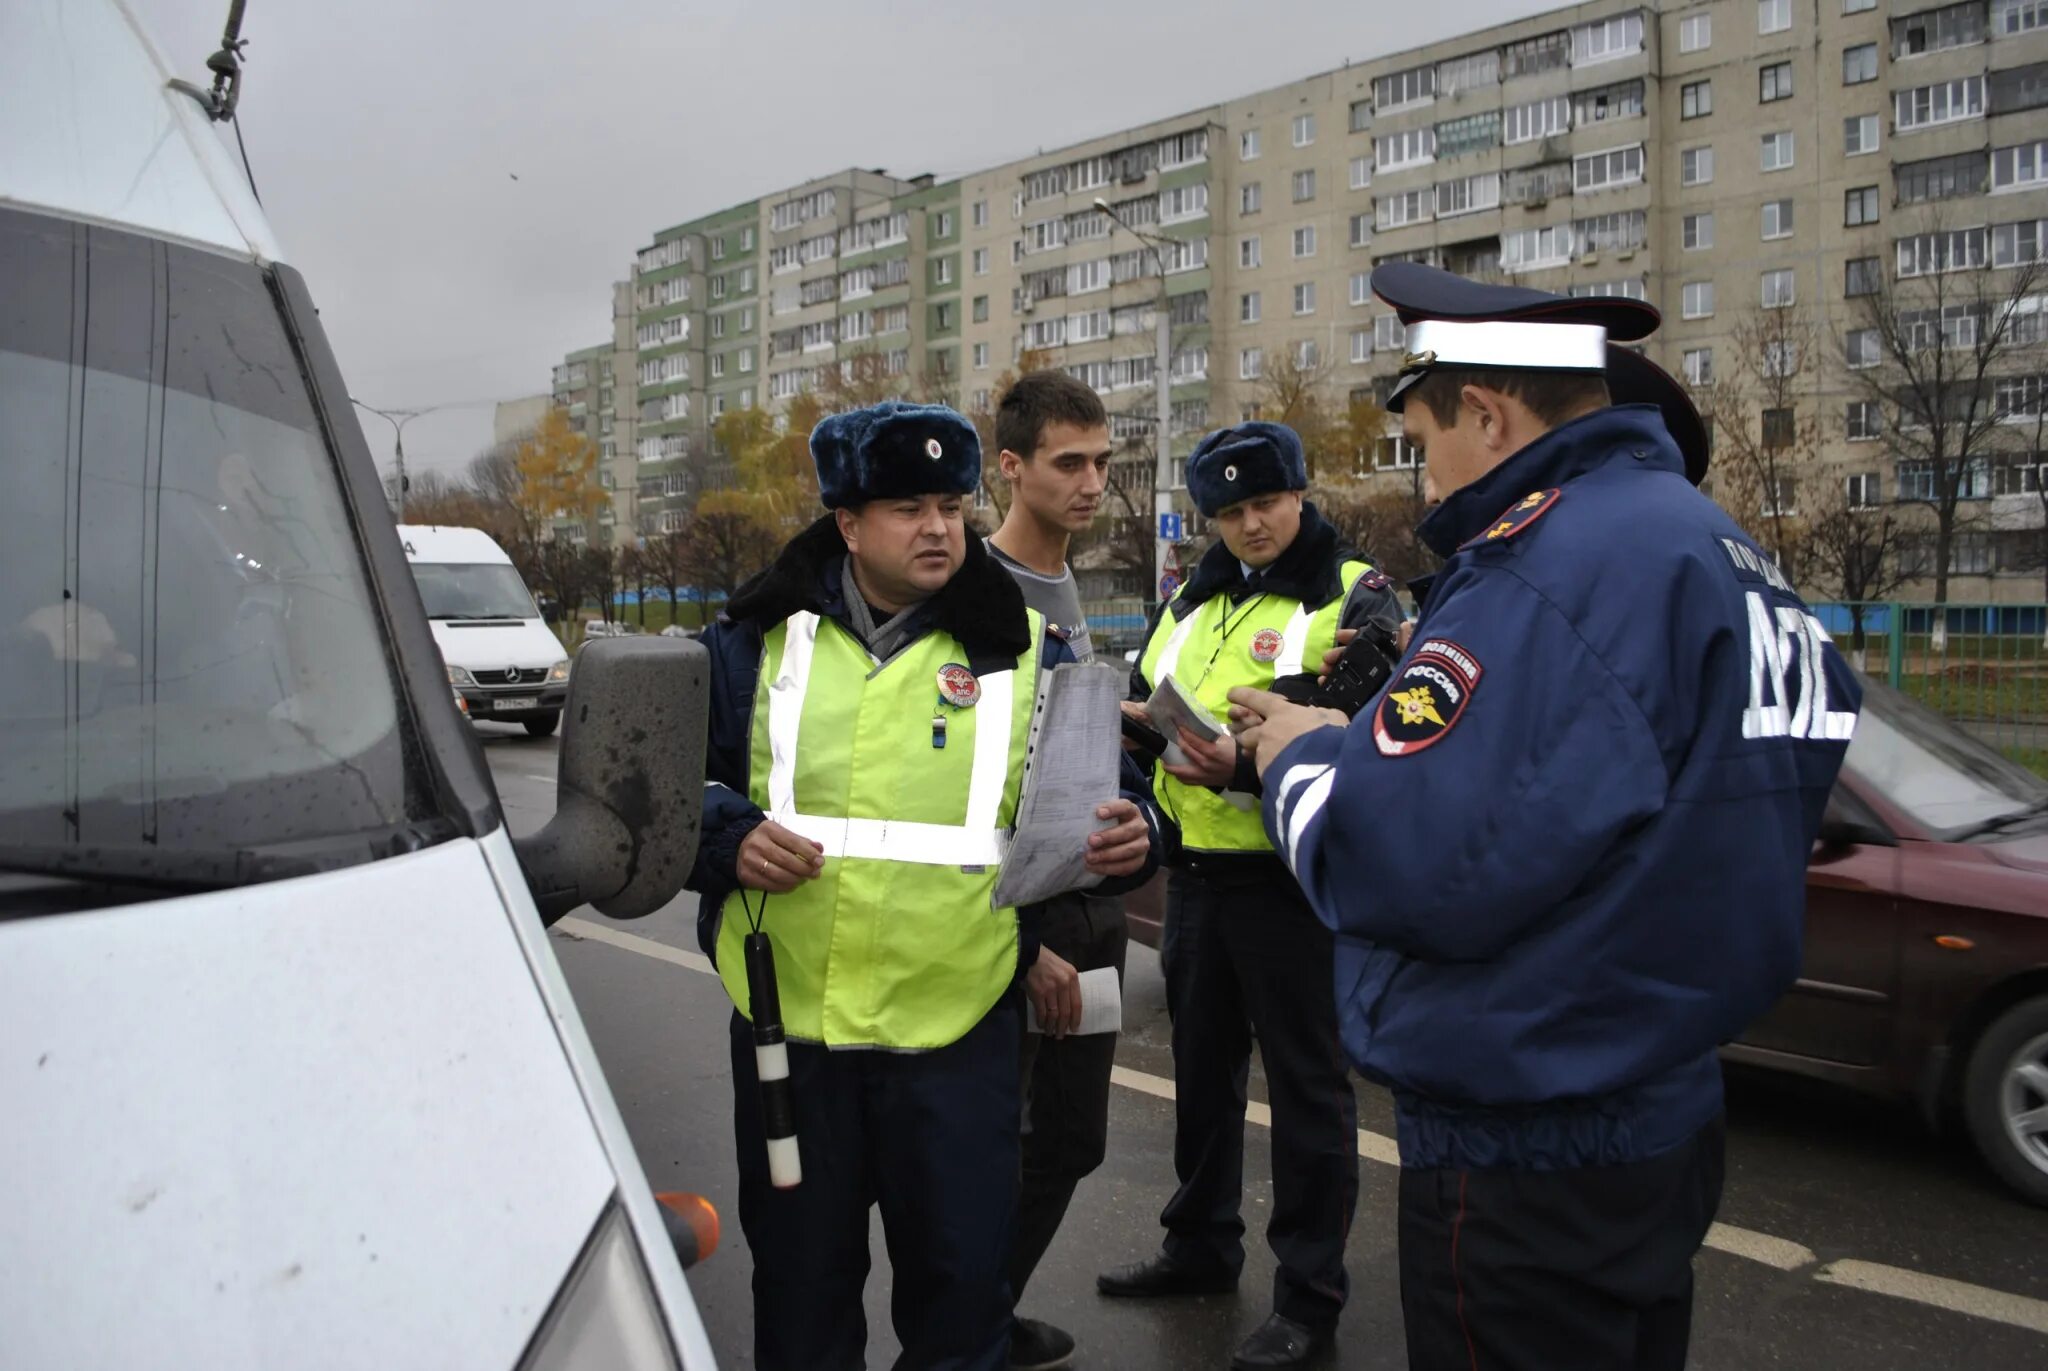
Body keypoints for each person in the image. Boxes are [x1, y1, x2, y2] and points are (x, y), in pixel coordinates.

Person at [1229, 262, 1861, 1371]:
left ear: (1486, 412)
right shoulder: (1722, 554)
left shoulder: (1544, 569)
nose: (1423, 478)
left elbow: (1402, 861)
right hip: (1659, 1097)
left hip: (1526, 1129)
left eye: (1423, 439)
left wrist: (1300, 758)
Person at [686, 400, 1167, 1371]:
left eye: (950, 503)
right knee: (801, 1302)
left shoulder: (1028, 648)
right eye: (907, 506)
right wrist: (719, 833)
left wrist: (1136, 832)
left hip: (956, 1039)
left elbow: (1109, 796)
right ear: (847, 523)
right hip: (795, 1038)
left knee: (959, 1311)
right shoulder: (748, 645)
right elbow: (653, 793)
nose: (939, 527)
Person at [1098, 422, 1401, 1371]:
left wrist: (1244, 767)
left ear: (1300, 493)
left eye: (1265, 502)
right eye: (1229, 510)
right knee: (1203, 1077)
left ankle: (1308, 1299)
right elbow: (1154, 687)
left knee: (1309, 1095)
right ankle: (1200, 1246)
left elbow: (1371, 718)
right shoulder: (1193, 591)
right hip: (1197, 877)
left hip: (1292, 882)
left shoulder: (1356, 590)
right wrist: (1138, 728)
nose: (1250, 523)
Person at [983, 371, 1128, 1371]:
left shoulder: (1067, 584)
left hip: (1088, 905)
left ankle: (983, 1313)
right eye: (1067, 463)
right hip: (1019, 922)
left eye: (1101, 462)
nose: (1090, 483)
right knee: (997, 1143)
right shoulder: (980, 596)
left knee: (1071, 1140)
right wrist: (1022, 942)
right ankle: (959, 1330)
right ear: (1011, 467)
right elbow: (958, 793)